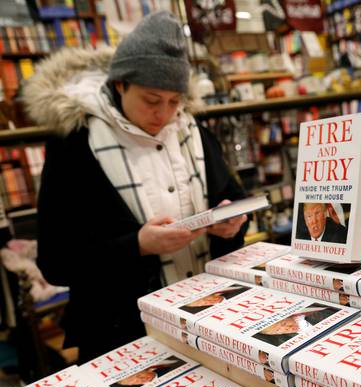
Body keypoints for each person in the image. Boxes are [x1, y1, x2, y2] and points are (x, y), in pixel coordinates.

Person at [25, 11, 248, 363]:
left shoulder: (193, 132)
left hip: (210, 316)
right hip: (122, 334)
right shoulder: (75, 144)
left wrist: (231, 221)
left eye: (175, 101)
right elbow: (56, 262)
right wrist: (138, 246)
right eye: (151, 99)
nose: (164, 114)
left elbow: (232, 198)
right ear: (120, 84)